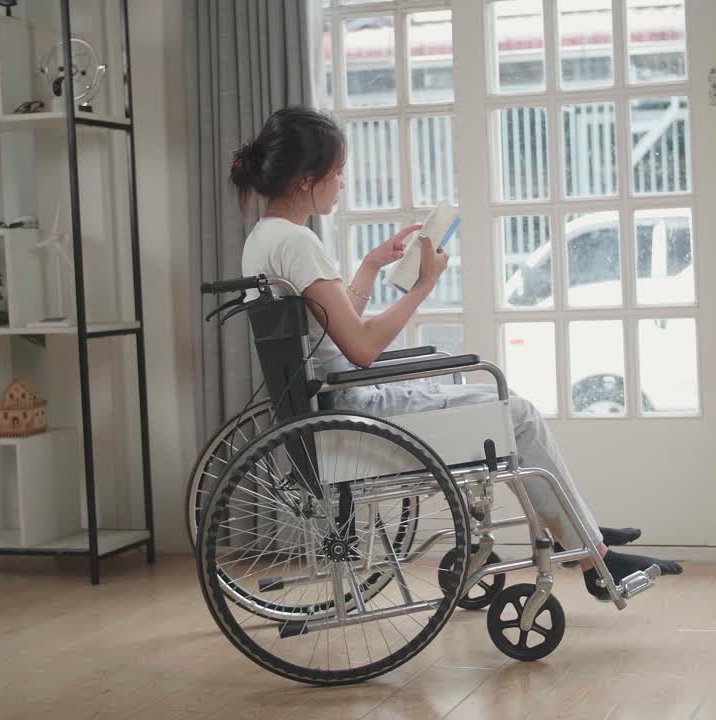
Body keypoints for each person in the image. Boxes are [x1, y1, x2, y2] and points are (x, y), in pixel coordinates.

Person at [231, 106, 682, 600]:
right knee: (519, 416)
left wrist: (369, 266)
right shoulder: (298, 243)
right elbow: (359, 346)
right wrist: (423, 286)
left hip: (331, 405)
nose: (342, 183)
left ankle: (583, 536)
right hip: (355, 411)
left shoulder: (265, 238)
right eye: (337, 172)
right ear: (305, 180)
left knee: (486, 403)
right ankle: (594, 557)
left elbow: (332, 331)